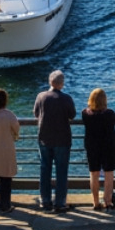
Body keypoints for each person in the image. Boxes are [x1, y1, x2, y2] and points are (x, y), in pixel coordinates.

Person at [33, 71, 77, 214]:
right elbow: (72, 115)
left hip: (44, 138)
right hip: (62, 140)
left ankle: (45, 201)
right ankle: (60, 203)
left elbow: (36, 113)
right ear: (62, 84)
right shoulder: (66, 98)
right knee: (61, 172)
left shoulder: (41, 96)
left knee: (45, 169)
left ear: (49, 82)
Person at [82, 89, 115, 212]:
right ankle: (108, 201)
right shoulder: (109, 113)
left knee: (94, 174)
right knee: (109, 174)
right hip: (108, 146)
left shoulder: (85, 113)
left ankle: (95, 202)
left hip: (92, 146)